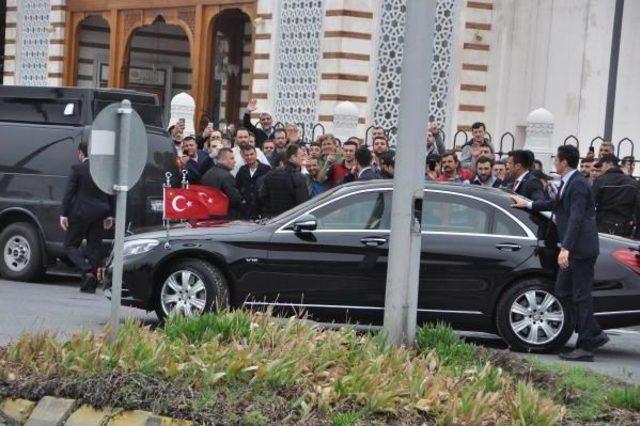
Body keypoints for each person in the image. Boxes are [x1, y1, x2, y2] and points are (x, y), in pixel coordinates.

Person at [512, 145, 608, 362]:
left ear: (564, 162)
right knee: (563, 291)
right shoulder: (569, 182)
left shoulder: (579, 185)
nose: (554, 162)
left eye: (556, 159)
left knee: (581, 296)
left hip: (580, 249)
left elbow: (576, 218)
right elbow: (554, 205)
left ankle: (585, 347)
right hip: (575, 247)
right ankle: (594, 332)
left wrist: (566, 248)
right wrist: (528, 203)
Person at [60, 142, 114, 293]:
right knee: (93, 247)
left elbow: (69, 193)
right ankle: (89, 284)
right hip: (100, 213)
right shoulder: (103, 169)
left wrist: (64, 214)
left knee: (69, 245)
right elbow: (110, 192)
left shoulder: (77, 168)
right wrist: (110, 215)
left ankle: (87, 269)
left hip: (80, 212)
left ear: (80, 153)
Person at [591, 154, 640, 238]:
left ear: (608, 163)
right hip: (624, 229)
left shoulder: (600, 181)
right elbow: (638, 209)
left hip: (602, 227)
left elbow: (590, 204)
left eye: (601, 166)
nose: (600, 170)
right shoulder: (633, 183)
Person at [259, 144, 309, 217]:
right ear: (293, 157)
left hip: (273, 218)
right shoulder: (298, 176)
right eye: (301, 156)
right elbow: (303, 202)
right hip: (291, 218)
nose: (303, 158)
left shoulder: (271, 174)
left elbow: (263, 196)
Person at [201, 148, 243, 220]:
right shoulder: (227, 176)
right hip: (226, 218)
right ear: (222, 160)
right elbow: (235, 199)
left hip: (209, 216)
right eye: (231, 158)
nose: (234, 161)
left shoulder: (207, 174)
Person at [235, 145, 271, 220]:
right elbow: (237, 186)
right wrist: (242, 199)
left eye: (251, 154)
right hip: (246, 208)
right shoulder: (242, 170)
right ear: (243, 157)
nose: (249, 157)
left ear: (256, 154)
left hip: (261, 207)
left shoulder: (266, 169)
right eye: (247, 155)